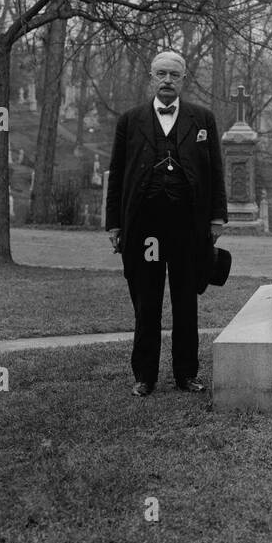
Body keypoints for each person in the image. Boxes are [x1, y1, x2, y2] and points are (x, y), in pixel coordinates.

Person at [105, 51, 227, 397]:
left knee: (186, 301)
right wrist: (114, 224)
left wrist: (217, 216)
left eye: (175, 74)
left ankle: (186, 374)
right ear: (151, 77)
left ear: (184, 79)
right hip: (145, 228)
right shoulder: (130, 121)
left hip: (189, 225)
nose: (168, 81)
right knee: (147, 301)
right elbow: (117, 176)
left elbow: (215, 171)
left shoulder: (202, 119)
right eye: (162, 74)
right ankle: (145, 376)